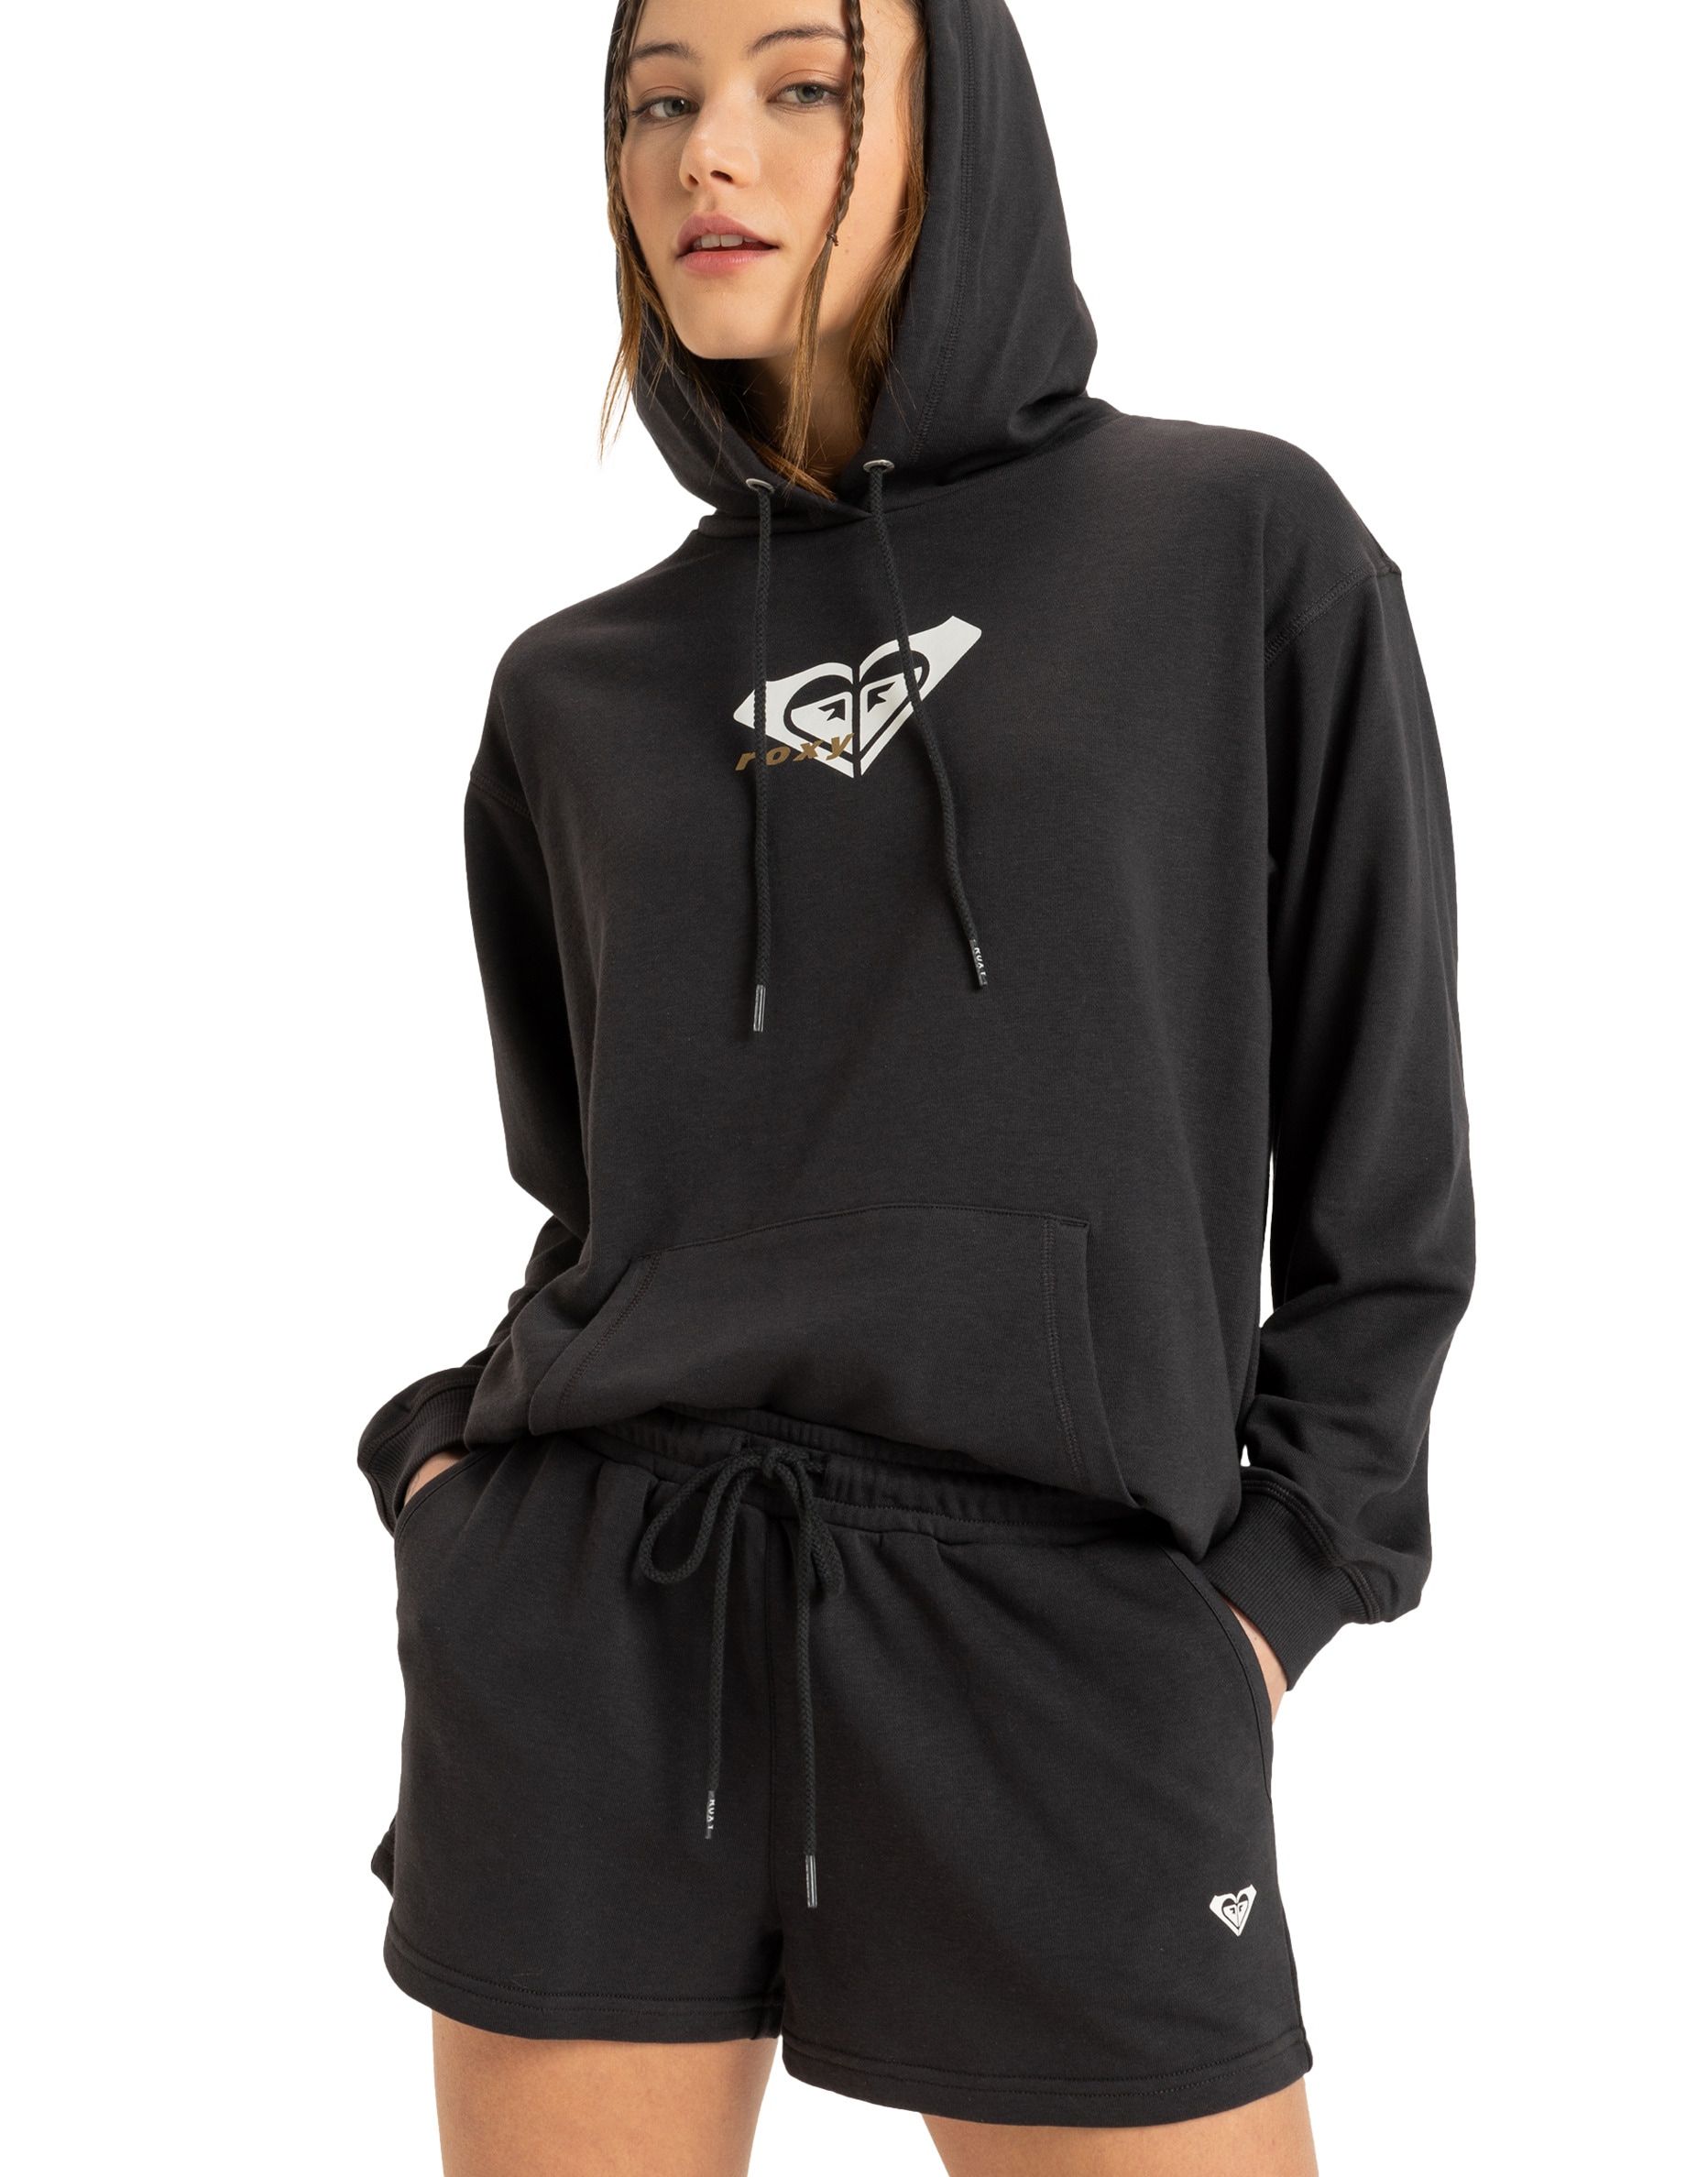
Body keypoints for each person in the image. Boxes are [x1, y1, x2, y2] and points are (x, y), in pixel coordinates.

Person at [358, 1, 1475, 2170]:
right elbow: (598, 1189)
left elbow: (1386, 1164)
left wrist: (1270, 1599)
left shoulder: (1238, 545)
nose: (705, 154)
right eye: (656, 101)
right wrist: (447, 1487)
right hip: (595, 1633)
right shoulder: (571, 690)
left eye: (800, 85)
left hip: (1056, 1628)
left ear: (960, 134)